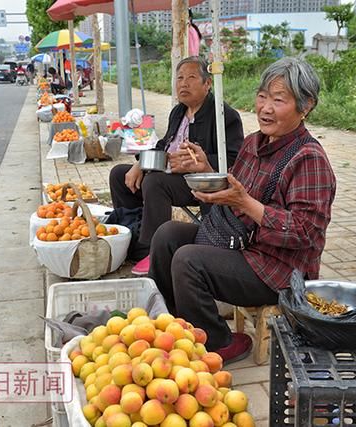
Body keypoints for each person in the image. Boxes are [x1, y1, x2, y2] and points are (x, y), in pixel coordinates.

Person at [148, 57, 337, 364]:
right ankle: (174, 324)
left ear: (306, 107)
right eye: (262, 96)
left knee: (188, 261)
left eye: (279, 100)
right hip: (240, 241)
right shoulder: (254, 143)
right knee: (167, 235)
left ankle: (219, 343)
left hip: (278, 268)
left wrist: (244, 203)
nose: (266, 108)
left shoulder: (308, 159)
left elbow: (305, 233)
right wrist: (206, 169)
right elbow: (236, 186)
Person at [109, 56, 244, 275]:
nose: (183, 83)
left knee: (155, 182)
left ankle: (152, 250)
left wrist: (199, 162)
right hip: (170, 172)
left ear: (207, 84)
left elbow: (234, 159)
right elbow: (164, 144)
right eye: (179, 78)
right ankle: (133, 232)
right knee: (119, 174)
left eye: (191, 77)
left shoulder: (224, 115)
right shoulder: (178, 111)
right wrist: (141, 164)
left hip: (201, 182)